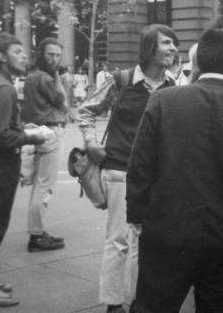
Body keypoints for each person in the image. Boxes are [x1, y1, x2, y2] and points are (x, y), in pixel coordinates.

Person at [126, 28, 223, 313]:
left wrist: (137, 214)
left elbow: (140, 165)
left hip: (167, 230)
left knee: (153, 306)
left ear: (199, 63)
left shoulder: (164, 100)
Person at [79, 24, 178, 313]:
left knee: (145, 241)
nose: (173, 48)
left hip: (158, 175)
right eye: (166, 43)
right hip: (120, 170)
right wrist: (91, 142)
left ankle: (137, 300)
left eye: (175, 44)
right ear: (149, 47)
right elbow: (85, 110)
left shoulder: (174, 87)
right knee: (119, 240)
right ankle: (112, 304)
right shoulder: (121, 80)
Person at [0, 33, 47, 307]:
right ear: (2, 56)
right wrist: (32, 137)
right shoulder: (3, 88)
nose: (24, 55)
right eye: (17, 51)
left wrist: (19, 128)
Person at [22, 37, 67, 252]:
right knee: (44, 186)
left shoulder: (32, 76)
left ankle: (37, 231)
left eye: (58, 55)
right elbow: (63, 101)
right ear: (41, 53)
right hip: (50, 131)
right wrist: (57, 75)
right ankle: (37, 236)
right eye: (50, 54)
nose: (54, 59)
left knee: (40, 185)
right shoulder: (45, 79)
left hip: (39, 130)